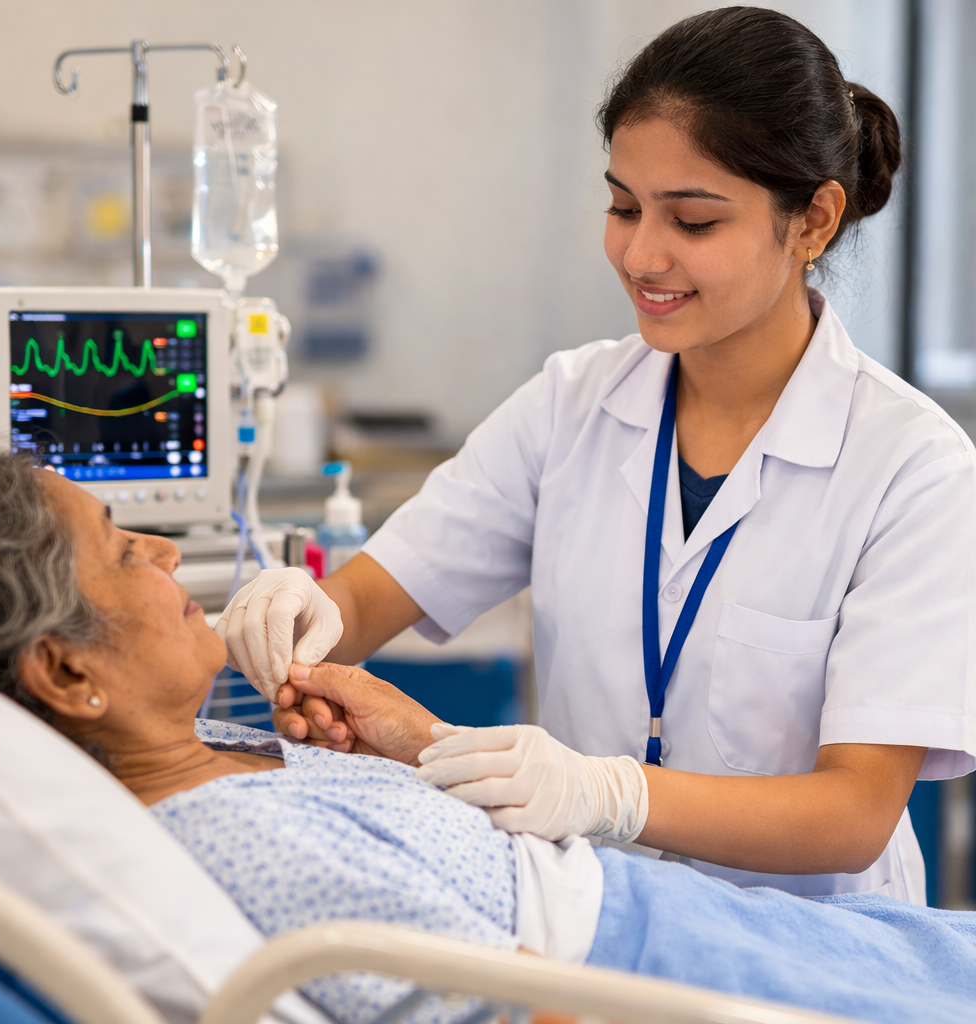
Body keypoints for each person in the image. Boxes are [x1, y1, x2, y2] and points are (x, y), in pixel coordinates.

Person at [215, 6, 976, 903]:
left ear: (812, 220)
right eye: (622, 206)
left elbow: (850, 817)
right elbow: (371, 597)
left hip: (809, 959)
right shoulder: (571, 404)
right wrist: (304, 613)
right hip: (586, 935)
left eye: (692, 222)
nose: (642, 253)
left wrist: (607, 792)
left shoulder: (912, 466)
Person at [0, 443, 976, 1024]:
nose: (170, 554)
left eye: (692, 217)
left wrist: (425, 744)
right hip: (659, 960)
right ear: (66, 671)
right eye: (123, 548)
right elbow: (527, 1012)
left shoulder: (216, 738)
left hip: (735, 908)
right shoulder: (230, 841)